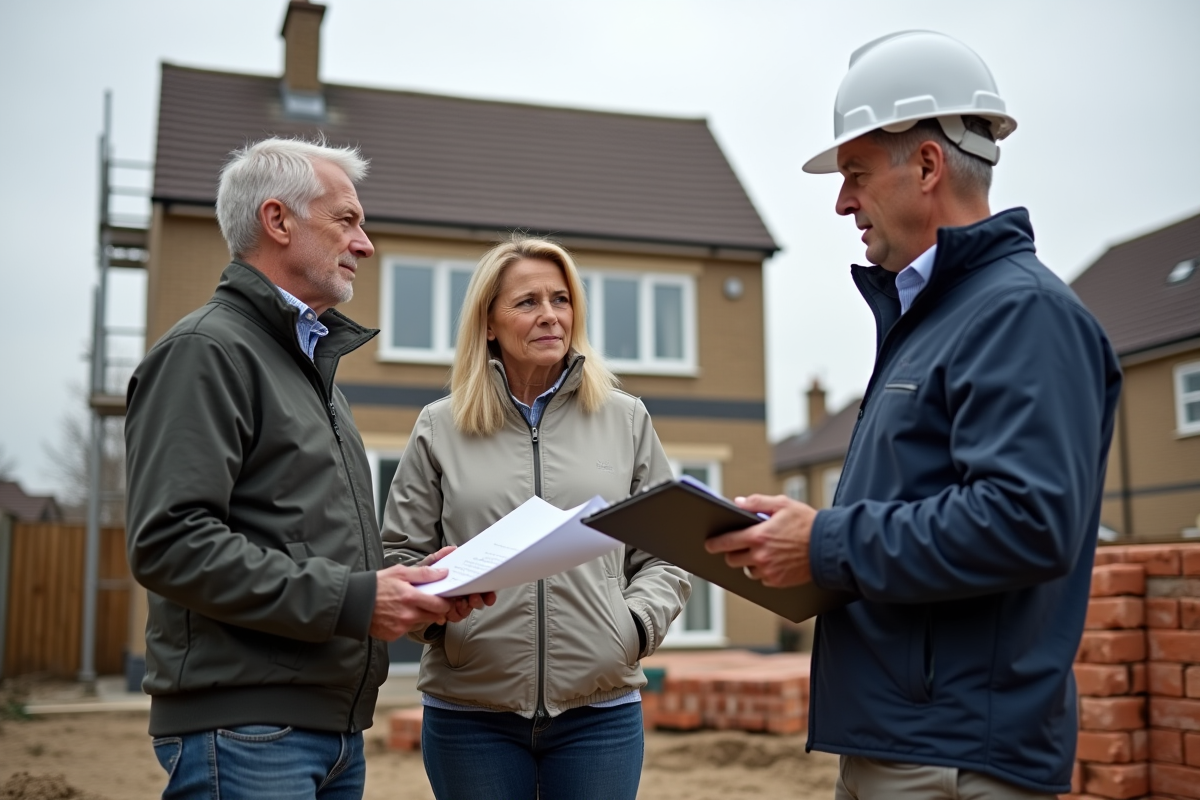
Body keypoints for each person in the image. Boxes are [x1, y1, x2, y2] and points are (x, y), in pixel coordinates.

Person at [706, 31, 1122, 798]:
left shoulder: (1020, 314)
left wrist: (824, 542)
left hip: (956, 758)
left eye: (856, 173)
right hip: (910, 741)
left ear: (928, 165)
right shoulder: (935, 320)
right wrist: (799, 545)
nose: (841, 201)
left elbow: (1028, 519)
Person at [125, 137, 491, 800]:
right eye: (346, 220)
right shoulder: (207, 352)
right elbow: (170, 544)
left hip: (326, 730)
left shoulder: (312, 374)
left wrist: (410, 589)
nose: (365, 243)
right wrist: (356, 601)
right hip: (245, 730)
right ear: (278, 221)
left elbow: (302, 540)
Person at [381, 237, 691, 800]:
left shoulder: (626, 419)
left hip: (599, 715)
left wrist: (634, 627)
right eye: (527, 302)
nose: (550, 315)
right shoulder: (439, 426)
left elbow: (668, 549)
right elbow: (398, 557)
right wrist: (438, 621)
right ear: (490, 323)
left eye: (561, 299)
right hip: (469, 715)